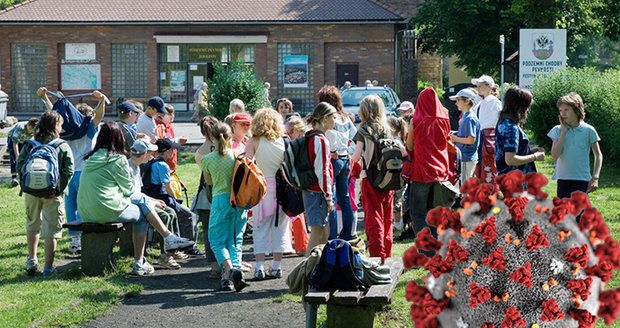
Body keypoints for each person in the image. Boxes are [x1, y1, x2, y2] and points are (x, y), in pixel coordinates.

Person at [77, 121, 194, 276]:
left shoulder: (90, 158)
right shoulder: (117, 160)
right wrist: (151, 201)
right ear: (119, 138)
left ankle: (167, 239)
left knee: (143, 204)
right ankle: (142, 259)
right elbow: (130, 191)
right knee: (142, 210)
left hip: (85, 211)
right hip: (106, 209)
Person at [38, 87, 106, 255]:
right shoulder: (88, 127)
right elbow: (99, 116)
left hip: (67, 173)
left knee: (70, 206)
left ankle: (74, 241)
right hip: (85, 172)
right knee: (86, 205)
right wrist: (102, 100)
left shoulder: (64, 128)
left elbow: (52, 112)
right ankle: (86, 237)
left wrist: (45, 97)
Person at [17, 111, 74, 276]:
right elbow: (68, 170)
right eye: (61, 124)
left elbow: (21, 165)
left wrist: (28, 186)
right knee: (52, 230)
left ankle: (32, 259)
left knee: (32, 224)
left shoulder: (30, 144)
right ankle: (48, 268)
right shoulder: (61, 145)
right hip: (53, 194)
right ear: (56, 125)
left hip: (31, 193)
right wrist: (57, 189)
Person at [200, 121, 249, 292]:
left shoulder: (207, 160)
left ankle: (229, 270)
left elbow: (209, 182)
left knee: (216, 239)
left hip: (220, 199)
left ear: (212, 137)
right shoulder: (237, 154)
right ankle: (236, 274)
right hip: (239, 201)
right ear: (230, 137)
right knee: (235, 239)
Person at [405, 87, 453, 254]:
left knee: (418, 212)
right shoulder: (445, 118)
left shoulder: (416, 120)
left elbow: (409, 146)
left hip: (422, 171)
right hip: (441, 171)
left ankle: (428, 250)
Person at [245, 108, 291, 280]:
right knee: (280, 228)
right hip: (282, 189)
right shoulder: (283, 141)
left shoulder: (255, 140)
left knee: (260, 228)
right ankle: (277, 267)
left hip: (261, 188)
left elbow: (247, 164)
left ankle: (259, 268)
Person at [351, 95, 397, 262]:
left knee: (373, 218)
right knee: (387, 217)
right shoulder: (387, 129)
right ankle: (388, 254)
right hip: (388, 178)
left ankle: (377, 255)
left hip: (370, 178)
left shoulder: (363, 131)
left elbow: (356, 157)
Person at [142, 139, 204, 257]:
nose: (174, 152)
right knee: (188, 215)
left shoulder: (153, 162)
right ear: (166, 151)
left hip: (153, 197)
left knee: (180, 214)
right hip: (162, 199)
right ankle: (189, 247)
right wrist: (175, 199)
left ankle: (179, 243)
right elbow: (167, 186)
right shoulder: (163, 165)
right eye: (172, 149)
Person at [128, 139, 181, 270]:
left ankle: (172, 250)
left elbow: (139, 192)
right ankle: (165, 256)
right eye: (151, 152)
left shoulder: (137, 166)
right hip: (134, 205)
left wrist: (154, 200)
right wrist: (152, 201)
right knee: (165, 216)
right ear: (144, 154)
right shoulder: (129, 167)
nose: (153, 155)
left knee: (171, 212)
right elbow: (131, 194)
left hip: (142, 200)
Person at [318, 85, 357, 241]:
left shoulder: (328, 118)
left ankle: (332, 235)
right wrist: (350, 152)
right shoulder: (345, 117)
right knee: (345, 197)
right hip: (345, 159)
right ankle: (347, 233)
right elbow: (356, 136)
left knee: (331, 199)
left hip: (333, 160)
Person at [548, 92, 602, 198]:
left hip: (582, 180)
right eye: (560, 110)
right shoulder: (557, 130)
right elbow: (554, 155)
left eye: (566, 110)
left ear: (577, 110)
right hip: (563, 180)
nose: (563, 114)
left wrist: (595, 178)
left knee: (579, 213)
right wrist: (563, 133)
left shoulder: (589, 130)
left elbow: (598, 155)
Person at [303, 102, 335, 255]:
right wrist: (329, 197)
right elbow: (322, 171)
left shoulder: (310, 135)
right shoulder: (321, 140)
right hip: (318, 192)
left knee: (324, 231)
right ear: (324, 118)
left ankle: (317, 267)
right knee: (317, 232)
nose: (334, 120)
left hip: (312, 190)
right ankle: (306, 271)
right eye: (332, 117)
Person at [193, 116, 221, 277]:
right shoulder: (225, 148)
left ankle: (214, 266)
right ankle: (229, 261)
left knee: (209, 232)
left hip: (206, 196)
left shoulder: (200, 153)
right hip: (224, 194)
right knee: (225, 229)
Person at [495, 86, 545, 175]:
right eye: (527, 106)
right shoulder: (511, 127)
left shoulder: (504, 122)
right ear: (520, 106)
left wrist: (528, 151)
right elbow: (510, 160)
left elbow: (507, 152)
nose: (528, 110)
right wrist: (535, 157)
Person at [284, 116, 309, 254]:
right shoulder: (302, 141)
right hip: (298, 180)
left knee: (294, 213)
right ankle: (300, 244)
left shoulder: (295, 142)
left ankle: (298, 244)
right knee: (296, 213)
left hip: (294, 180)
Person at [471, 75, 502, 184]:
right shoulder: (481, 102)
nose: (478, 88)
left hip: (488, 137)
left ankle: (491, 190)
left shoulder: (493, 101)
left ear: (489, 87)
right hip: (482, 137)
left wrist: (481, 127)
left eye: (481, 86)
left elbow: (497, 119)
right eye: (477, 86)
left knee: (488, 165)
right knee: (482, 165)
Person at [449, 88, 481, 185]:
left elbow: (471, 140)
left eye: (458, 100)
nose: (456, 103)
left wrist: (455, 138)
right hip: (466, 156)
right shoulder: (467, 116)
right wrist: (456, 133)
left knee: (466, 187)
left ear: (467, 101)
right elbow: (467, 134)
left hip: (467, 157)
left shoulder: (469, 118)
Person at [155, 104, 188, 199]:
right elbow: (162, 143)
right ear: (161, 115)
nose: (172, 116)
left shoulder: (169, 126)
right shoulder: (158, 126)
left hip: (171, 163)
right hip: (164, 164)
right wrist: (177, 141)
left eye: (173, 113)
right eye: (169, 114)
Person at [7, 117, 39, 187]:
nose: (31, 132)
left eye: (32, 131)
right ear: (28, 125)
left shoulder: (36, 129)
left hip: (25, 140)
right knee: (14, 157)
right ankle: (14, 178)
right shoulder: (20, 127)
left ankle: (24, 175)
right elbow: (15, 143)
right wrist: (17, 155)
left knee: (26, 157)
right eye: (30, 129)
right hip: (13, 139)